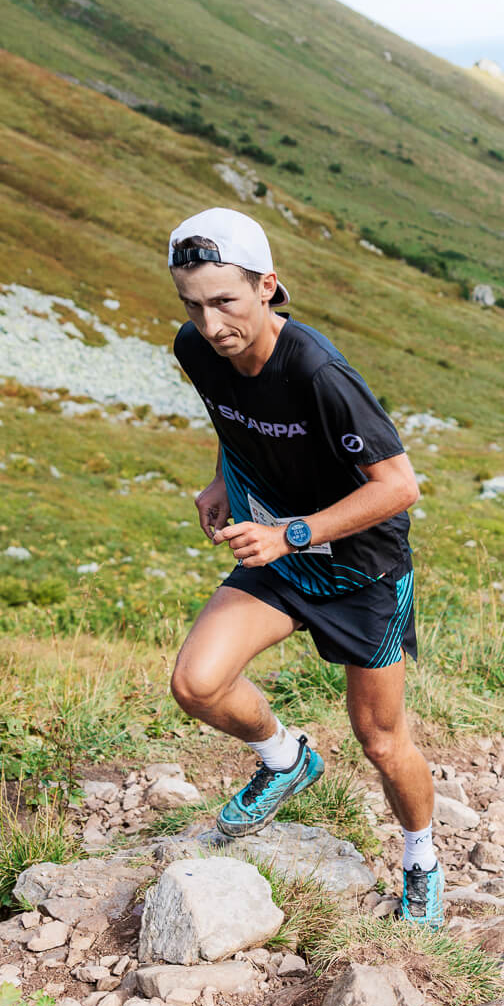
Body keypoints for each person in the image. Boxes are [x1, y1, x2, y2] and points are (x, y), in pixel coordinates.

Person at [165, 206, 443, 927]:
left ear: (267, 288)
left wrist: (291, 532)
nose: (211, 322)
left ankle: (422, 861)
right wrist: (225, 478)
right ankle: (287, 760)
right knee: (196, 683)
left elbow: (399, 487)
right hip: (282, 554)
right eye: (192, 304)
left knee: (382, 741)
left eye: (226, 300)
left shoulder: (317, 370)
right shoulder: (197, 351)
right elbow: (236, 424)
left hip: (362, 571)